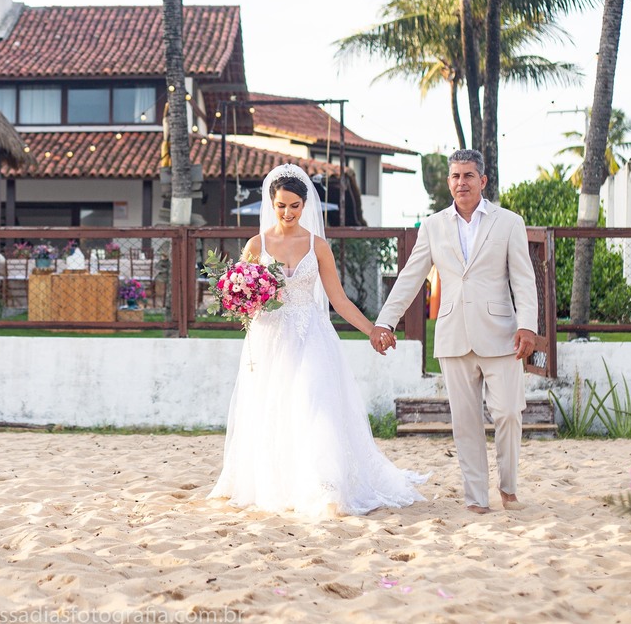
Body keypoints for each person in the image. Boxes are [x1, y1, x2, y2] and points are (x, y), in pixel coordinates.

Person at [208, 163, 426, 518]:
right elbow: (234, 293)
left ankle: (325, 485)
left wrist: (373, 329)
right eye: (281, 205)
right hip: (269, 337)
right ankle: (279, 484)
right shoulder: (255, 245)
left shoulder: (317, 245)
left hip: (312, 333)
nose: (288, 212)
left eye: (295, 205)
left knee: (315, 404)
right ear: (271, 203)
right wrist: (243, 299)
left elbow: (338, 300)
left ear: (305, 204)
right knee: (275, 408)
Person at [373, 149, 537, 514]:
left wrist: (527, 325)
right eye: (455, 177)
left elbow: (524, 279)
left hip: (503, 335)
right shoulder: (432, 226)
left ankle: (508, 488)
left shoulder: (509, 222)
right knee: (465, 423)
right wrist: (386, 321)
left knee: (509, 412)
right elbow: (410, 278)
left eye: (468, 175)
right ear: (448, 182)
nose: (461, 182)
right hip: (453, 336)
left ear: (483, 181)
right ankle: (477, 498)